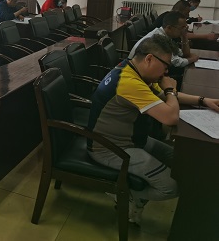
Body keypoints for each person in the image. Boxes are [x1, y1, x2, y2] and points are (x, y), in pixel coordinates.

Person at [88, 35, 219, 226]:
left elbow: (164, 95)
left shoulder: (133, 70)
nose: (166, 71)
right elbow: (170, 116)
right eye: (165, 66)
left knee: (180, 161)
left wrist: (202, 100)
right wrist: (170, 90)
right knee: (171, 188)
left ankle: (134, 196)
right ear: (149, 58)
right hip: (110, 148)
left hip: (134, 139)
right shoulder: (129, 83)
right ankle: (127, 195)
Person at [129, 11, 198, 82]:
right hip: (138, 73)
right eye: (182, 28)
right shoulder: (158, 38)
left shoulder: (166, 35)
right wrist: (193, 59)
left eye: (185, 27)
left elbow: (182, 53)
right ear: (169, 28)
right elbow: (177, 63)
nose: (184, 30)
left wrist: (184, 36)